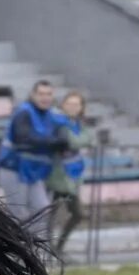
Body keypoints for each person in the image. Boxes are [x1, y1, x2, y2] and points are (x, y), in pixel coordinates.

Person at [0, 80, 66, 230]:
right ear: (33, 95)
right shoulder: (24, 113)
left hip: (33, 172)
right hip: (14, 168)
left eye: (48, 94)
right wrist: (54, 142)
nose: (45, 98)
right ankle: (18, 249)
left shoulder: (50, 116)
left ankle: (34, 249)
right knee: (19, 214)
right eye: (41, 94)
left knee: (42, 209)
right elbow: (24, 137)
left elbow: (64, 137)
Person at [47, 91, 93, 254]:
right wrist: (78, 140)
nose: (73, 107)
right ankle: (48, 248)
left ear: (81, 108)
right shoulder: (58, 122)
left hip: (72, 175)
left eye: (76, 105)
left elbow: (89, 139)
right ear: (63, 105)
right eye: (69, 104)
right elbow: (71, 141)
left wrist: (78, 140)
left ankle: (58, 247)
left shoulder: (79, 124)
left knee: (77, 213)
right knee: (49, 215)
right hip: (55, 175)